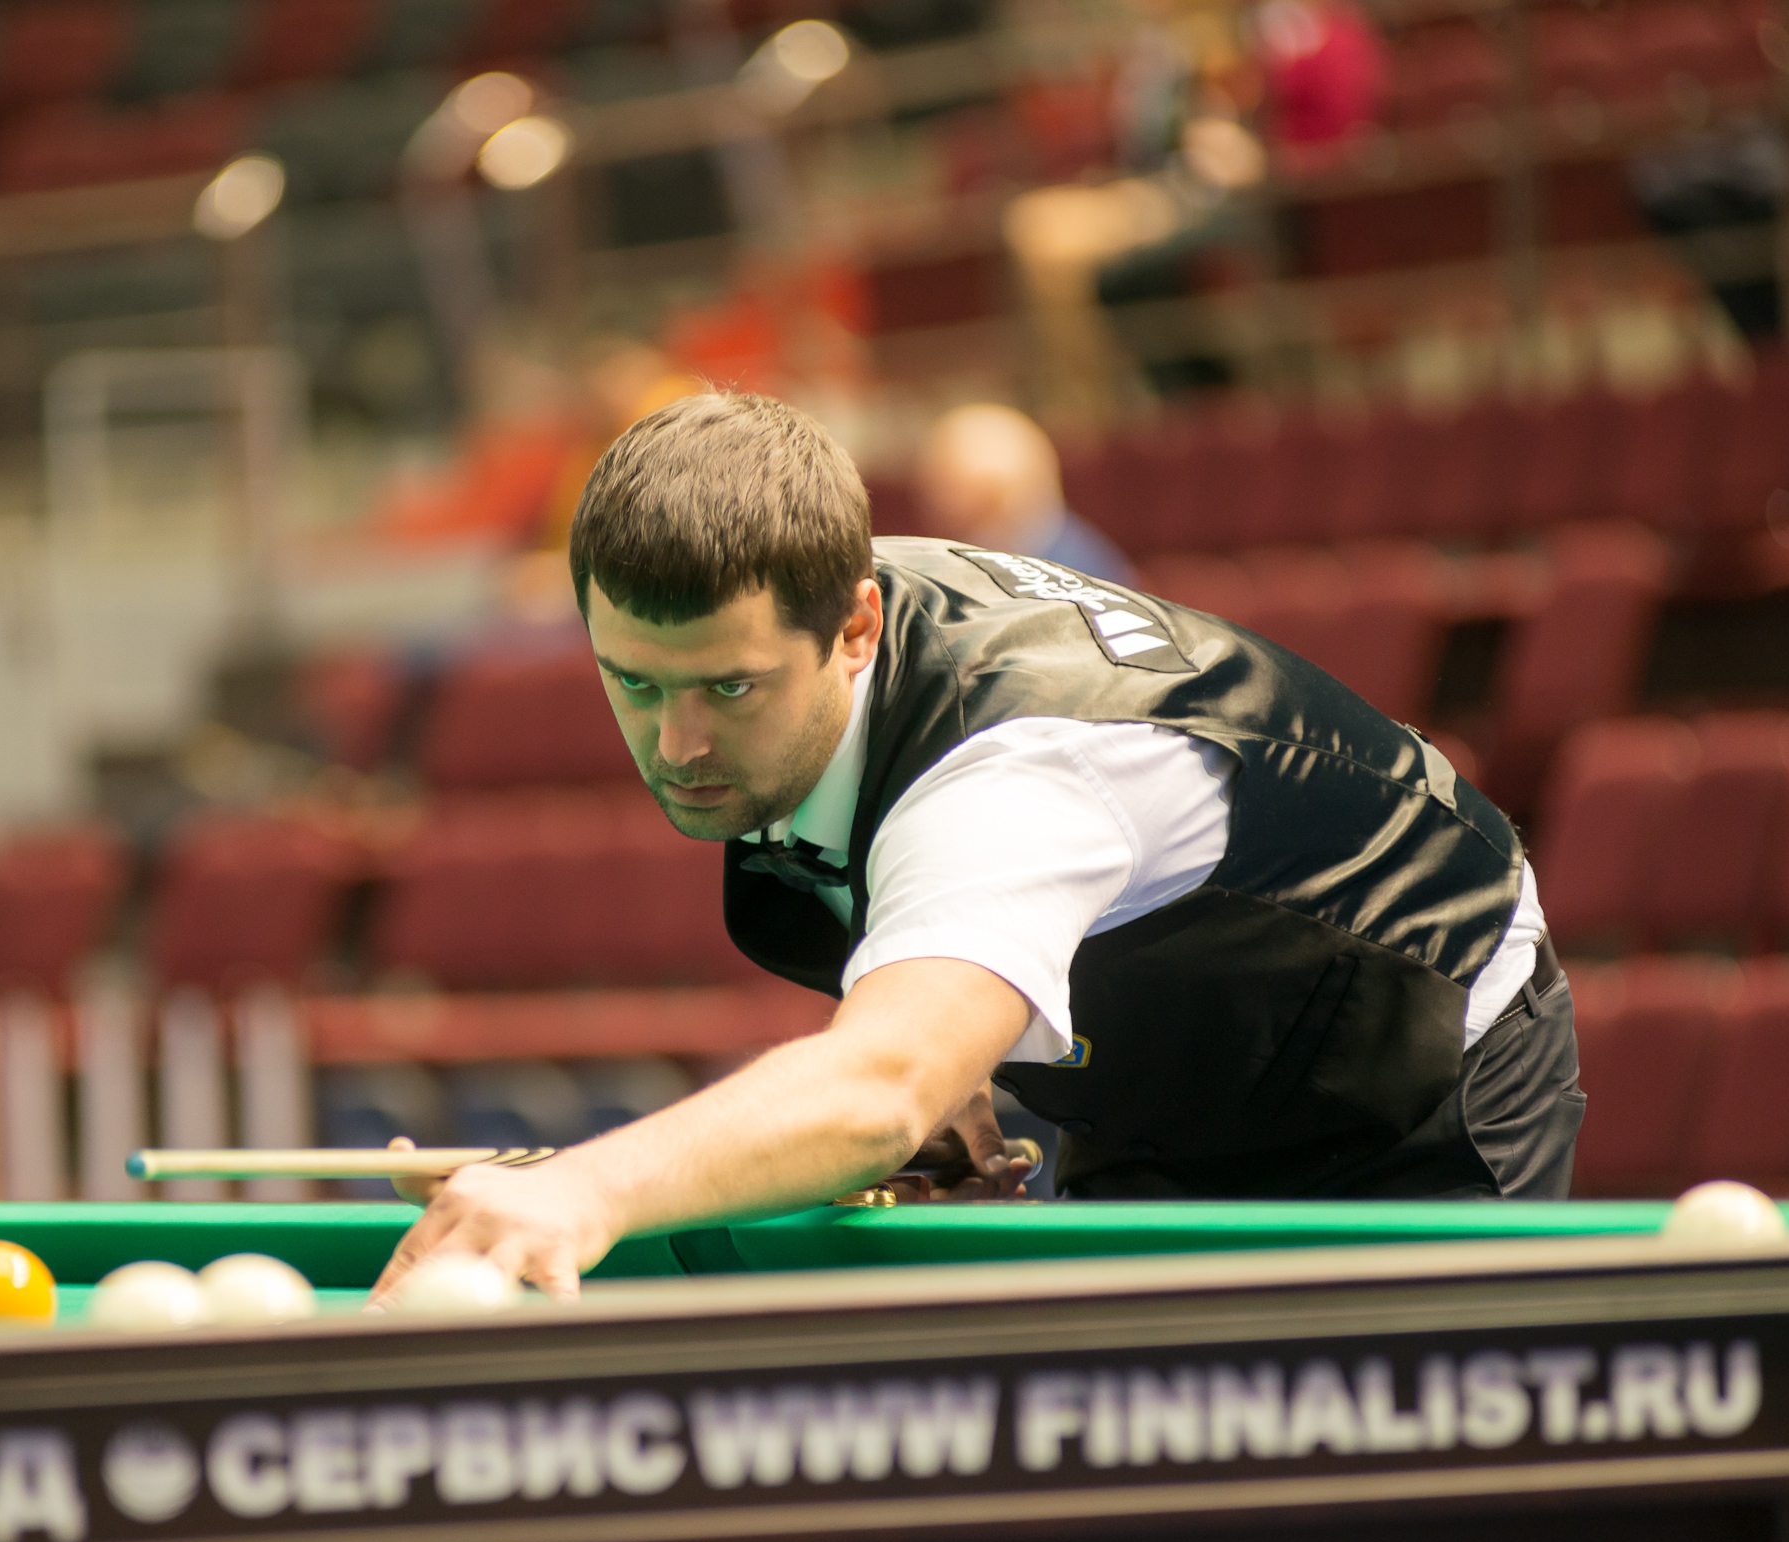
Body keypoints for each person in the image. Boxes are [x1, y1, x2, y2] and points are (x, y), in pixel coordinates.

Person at [370, 392, 1575, 1305]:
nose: (676, 743)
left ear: (856, 628)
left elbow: (877, 1089)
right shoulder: (801, 613)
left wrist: (583, 1188)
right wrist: (966, 1070)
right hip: (1180, 1068)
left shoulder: (1016, 773)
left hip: (1411, 1057)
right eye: (633, 682)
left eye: (728, 689)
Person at [913, 403, 1136, 584]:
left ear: (1009, 497)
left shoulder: (1080, 572)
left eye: (955, 490)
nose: (941, 505)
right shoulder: (960, 563)